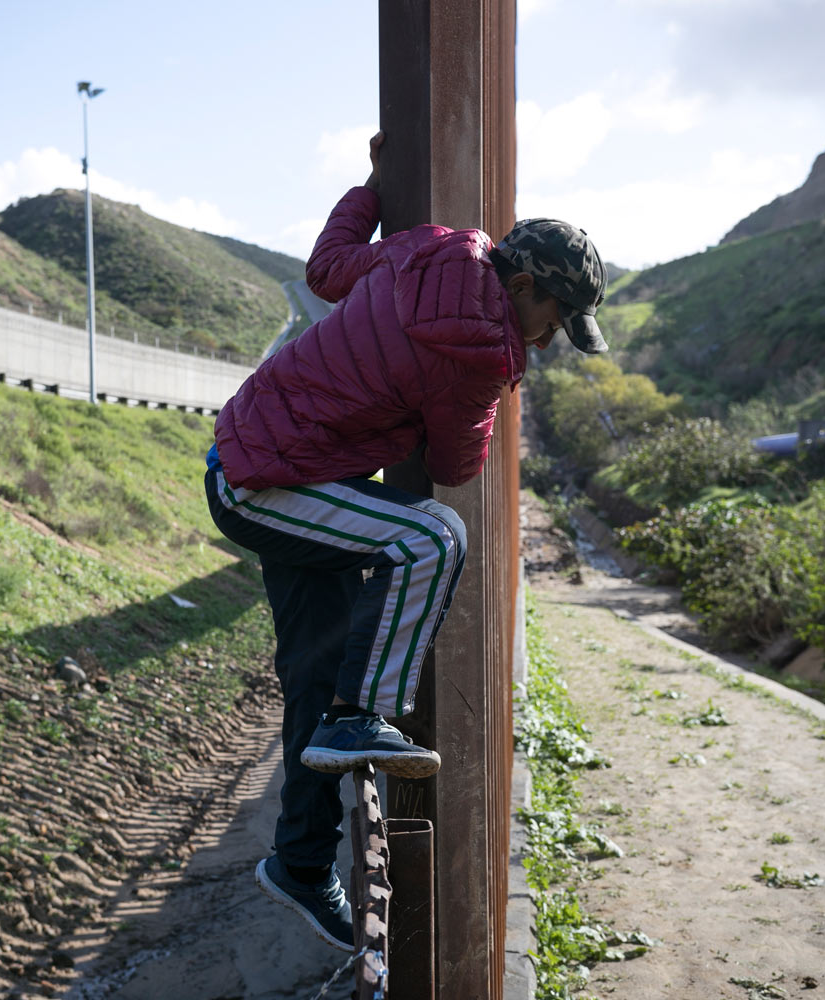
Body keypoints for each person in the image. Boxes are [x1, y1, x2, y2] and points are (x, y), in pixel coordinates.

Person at [205, 131, 610, 951]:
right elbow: (458, 461)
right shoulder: (481, 353)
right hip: (267, 483)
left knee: (314, 673)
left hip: (259, 451)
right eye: (553, 321)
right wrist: (496, 388)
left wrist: (372, 183)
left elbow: (327, 267)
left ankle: (301, 862)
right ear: (523, 286)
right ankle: (365, 715)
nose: (546, 340)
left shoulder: (425, 249)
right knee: (432, 538)